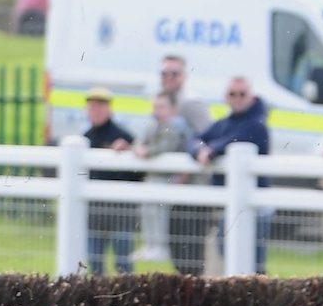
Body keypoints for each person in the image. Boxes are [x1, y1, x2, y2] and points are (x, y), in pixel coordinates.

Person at [191, 77, 272, 272]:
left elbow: (237, 140)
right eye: (232, 94)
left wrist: (210, 149)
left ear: (251, 97)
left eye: (242, 94)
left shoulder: (257, 124)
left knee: (252, 260)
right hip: (235, 202)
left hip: (254, 204)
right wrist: (200, 150)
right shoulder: (224, 123)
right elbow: (196, 140)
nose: (237, 99)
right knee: (232, 251)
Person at [137, 92, 202, 275]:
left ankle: (159, 246)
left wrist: (146, 151)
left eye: (162, 107)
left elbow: (166, 146)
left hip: (168, 178)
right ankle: (150, 244)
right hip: (155, 176)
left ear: (172, 109)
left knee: (160, 213)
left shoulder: (175, 126)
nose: (157, 111)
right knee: (147, 210)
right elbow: (141, 142)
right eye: (155, 106)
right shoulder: (153, 125)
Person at [82, 87, 141, 276]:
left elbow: (137, 173)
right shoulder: (86, 138)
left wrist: (128, 151)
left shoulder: (123, 135)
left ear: (109, 109)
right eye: (92, 107)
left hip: (120, 210)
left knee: (124, 262)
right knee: (94, 260)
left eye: (100, 106)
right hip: (94, 210)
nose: (96, 111)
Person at [158, 54, 214, 137]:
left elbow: (206, 135)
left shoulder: (192, 102)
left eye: (174, 74)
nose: (168, 78)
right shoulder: (161, 98)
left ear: (185, 76)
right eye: (164, 74)